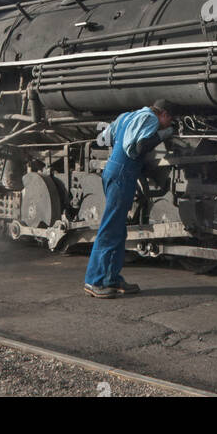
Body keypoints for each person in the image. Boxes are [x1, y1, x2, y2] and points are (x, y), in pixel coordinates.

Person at [83, 99, 178, 298]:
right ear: (165, 115)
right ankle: (94, 280)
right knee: (110, 227)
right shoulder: (151, 119)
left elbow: (109, 136)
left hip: (114, 170)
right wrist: (165, 133)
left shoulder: (128, 115)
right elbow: (140, 146)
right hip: (122, 174)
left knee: (118, 228)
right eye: (170, 121)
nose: (169, 124)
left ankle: (112, 278)